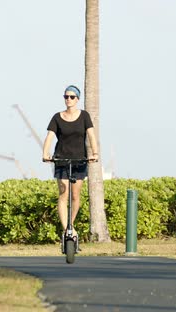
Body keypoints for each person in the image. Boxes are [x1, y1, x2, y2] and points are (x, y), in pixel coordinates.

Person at [42, 85, 99, 242]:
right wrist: (45, 153)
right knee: (63, 192)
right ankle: (66, 229)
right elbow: (49, 136)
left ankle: (71, 225)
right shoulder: (57, 117)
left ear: (77, 99)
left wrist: (95, 153)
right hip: (61, 159)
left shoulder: (84, 116)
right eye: (66, 97)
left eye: (72, 97)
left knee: (75, 195)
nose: (68, 99)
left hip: (80, 159)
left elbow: (91, 135)